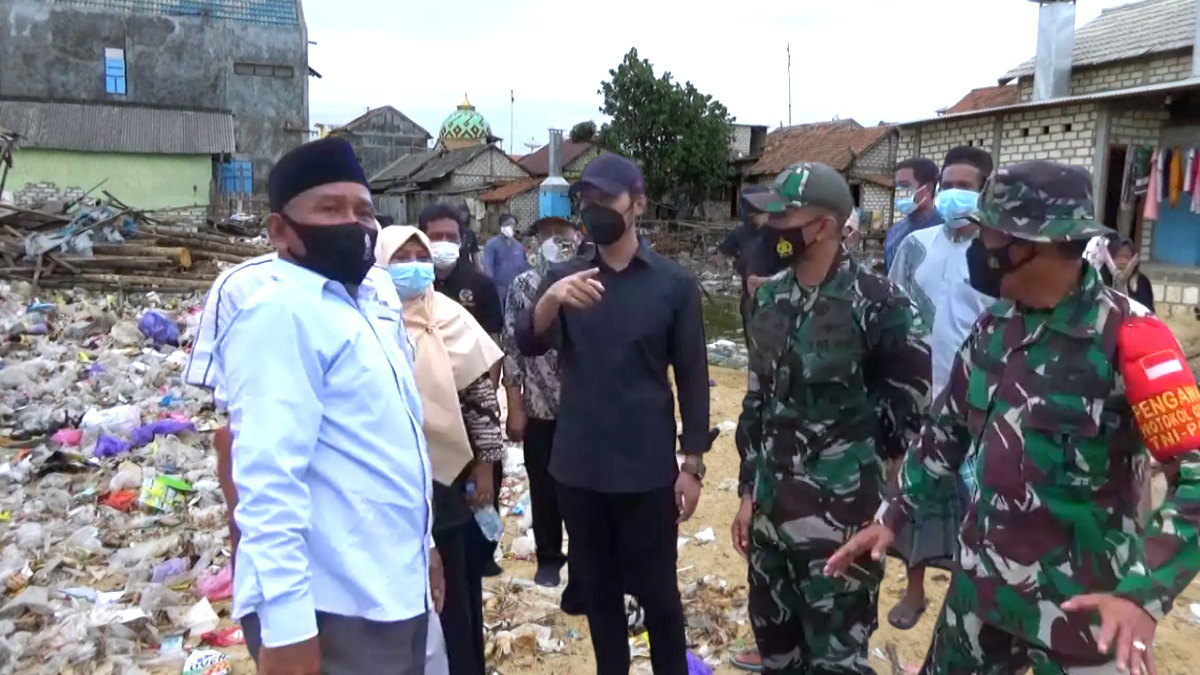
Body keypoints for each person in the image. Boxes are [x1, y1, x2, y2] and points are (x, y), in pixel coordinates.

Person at [827, 160, 1200, 675]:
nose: (980, 248)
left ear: (1034, 243)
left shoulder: (1132, 337)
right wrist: (892, 515)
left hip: (1085, 612)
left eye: (990, 235)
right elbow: (945, 434)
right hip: (982, 593)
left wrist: (1143, 594)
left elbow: (1195, 479)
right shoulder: (993, 328)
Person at [214, 137, 434, 675]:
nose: (354, 224)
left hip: (392, 587)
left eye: (363, 210)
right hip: (334, 608)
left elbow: (388, 447)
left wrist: (424, 545)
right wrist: (288, 629)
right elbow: (267, 480)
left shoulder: (363, 306)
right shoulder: (280, 314)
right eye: (329, 208)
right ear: (280, 231)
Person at [729, 162, 931, 675]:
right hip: (772, 522)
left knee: (837, 664)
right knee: (778, 658)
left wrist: (883, 505)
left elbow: (908, 411)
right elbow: (758, 404)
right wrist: (749, 495)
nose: (772, 228)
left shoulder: (880, 304)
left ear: (825, 225)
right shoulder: (770, 298)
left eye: (785, 216)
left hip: (841, 527)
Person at [516, 153, 713, 675]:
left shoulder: (673, 285)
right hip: (579, 468)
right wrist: (552, 298)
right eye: (588, 200)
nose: (595, 209)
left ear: (638, 204)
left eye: (608, 199)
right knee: (599, 596)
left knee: (660, 598)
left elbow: (692, 376)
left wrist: (692, 465)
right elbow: (528, 342)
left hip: (647, 470)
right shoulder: (566, 278)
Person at [377, 225, 506, 675]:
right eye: (401, 256)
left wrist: (487, 468)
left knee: (456, 586)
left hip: (450, 478)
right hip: (393, 477)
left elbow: (482, 401)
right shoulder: (371, 319)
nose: (413, 265)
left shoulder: (451, 315)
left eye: (420, 254)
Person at [884, 145, 996, 630]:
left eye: (965, 186)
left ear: (985, 191)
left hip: (981, 404)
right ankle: (914, 589)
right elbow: (890, 312)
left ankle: (960, 596)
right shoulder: (916, 246)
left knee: (974, 505)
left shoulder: (997, 256)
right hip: (919, 397)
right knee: (917, 495)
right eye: (948, 184)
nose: (954, 194)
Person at [501, 215, 585, 612]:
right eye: (546, 234)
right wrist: (515, 405)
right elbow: (513, 350)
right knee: (544, 485)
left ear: (577, 237)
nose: (555, 241)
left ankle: (586, 566)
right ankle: (550, 558)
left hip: (585, 407)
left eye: (562, 234)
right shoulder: (524, 286)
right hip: (538, 406)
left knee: (586, 489)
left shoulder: (590, 280)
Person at [420, 202, 506, 578]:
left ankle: (482, 554)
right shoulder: (410, 285)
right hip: (429, 407)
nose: (442, 244)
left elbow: (494, 345)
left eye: (450, 238)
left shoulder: (479, 285)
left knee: (483, 480)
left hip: (472, 399)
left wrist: (485, 395)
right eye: (434, 237)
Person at [884, 157, 943, 274]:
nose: (899, 192)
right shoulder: (894, 231)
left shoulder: (946, 232)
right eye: (897, 187)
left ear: (928, 188)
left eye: (905, 186)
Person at [481, 213, 529, 312]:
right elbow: (488, 266)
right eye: (508, 224)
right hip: (499, 288)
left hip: (516, 289)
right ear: (501, 226)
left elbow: (524, 266)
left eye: (513, 224)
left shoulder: (519, 246)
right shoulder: (492, 244)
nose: (511, 227)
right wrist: (491, 287)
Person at [1100, 234, 1155, 312]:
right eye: (1119, 256)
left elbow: (1148, 313)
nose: (1123, 261)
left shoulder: (1141, 282)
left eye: (1128, 257)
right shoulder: (1100, 279)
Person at [455, 203, 482, 269]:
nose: (464, 216)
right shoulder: (451, 232)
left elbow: (474, 254)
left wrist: (479, 269)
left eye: (466, 214)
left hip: (466, 268)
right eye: (462, 214)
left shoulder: (470, 233)